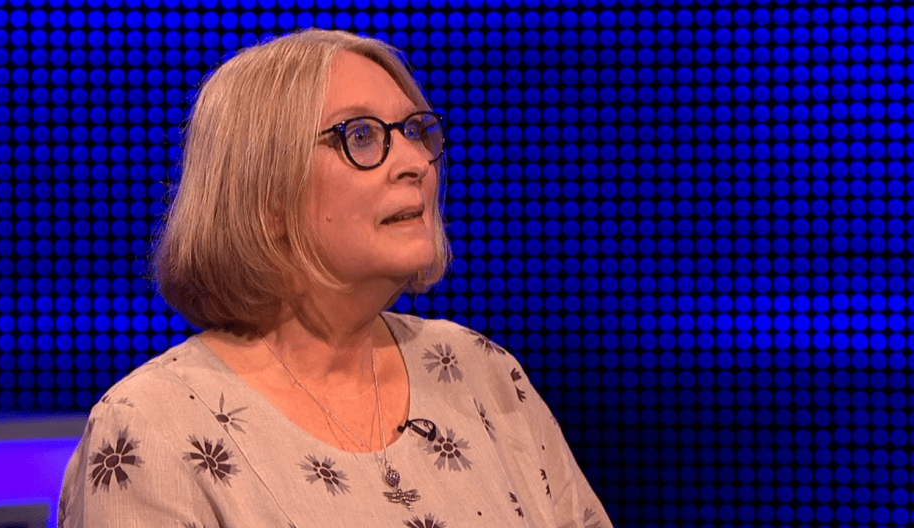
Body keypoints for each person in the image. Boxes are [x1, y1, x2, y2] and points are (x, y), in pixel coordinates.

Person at [59, 28, 612, 528]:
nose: (416, 162)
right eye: (363, 136)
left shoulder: (480, 371)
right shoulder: (154, 425)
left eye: (417, 131)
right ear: (265, 196)